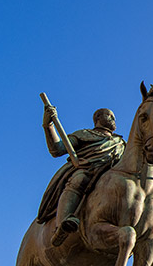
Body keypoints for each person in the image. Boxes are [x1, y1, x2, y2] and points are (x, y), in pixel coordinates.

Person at [37, 105, 126, 246]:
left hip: (110, 176)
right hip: (88, 170)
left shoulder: (121, 144)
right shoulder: (84, 134)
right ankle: (62, 226)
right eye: (109, 115)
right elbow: (57, 149)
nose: (113, 119)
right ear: (98, 118)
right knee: (79, 179)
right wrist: (48, 125)